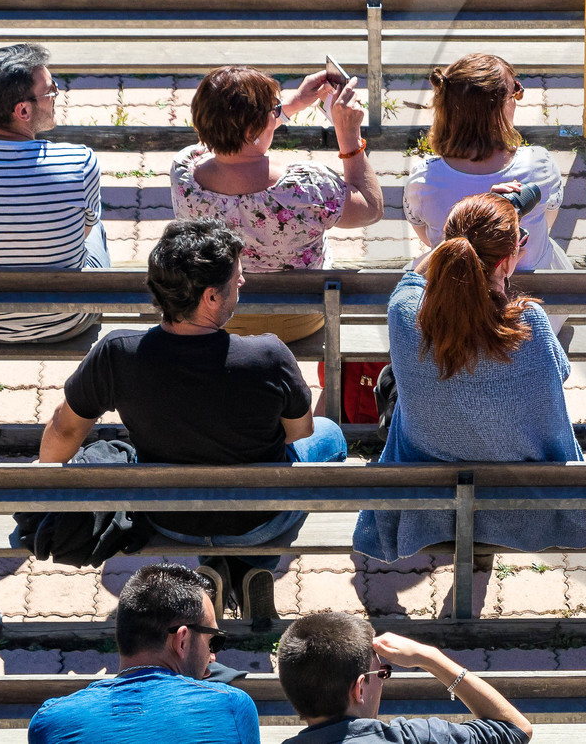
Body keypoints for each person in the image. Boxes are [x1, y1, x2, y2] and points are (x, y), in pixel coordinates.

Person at [37, 219, 347, 622]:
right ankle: (254, 566)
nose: (243, 285)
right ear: (211, 296)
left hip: (169, 515)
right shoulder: (268, 355)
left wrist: (39, 487)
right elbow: (299, 432)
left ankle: (219, 571)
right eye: (238, 279)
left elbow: (64, 431)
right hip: (260, 519)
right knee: (330, 434)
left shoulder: (117, 352)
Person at [355, 192, 586, 561]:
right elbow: (558, 372)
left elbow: (411, 279)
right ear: (507, 260)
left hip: (431, 495)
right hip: (520, 500)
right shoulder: (529, 323)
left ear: (445, 248)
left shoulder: (404, 313)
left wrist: (450, 246)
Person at [171, 64, 383, 342]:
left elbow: (232, 140)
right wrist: (349, 135)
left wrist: (289, 107)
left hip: (218, 317)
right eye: (273, 111)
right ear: (252, 129)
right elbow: (371, 208)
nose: (277, 114)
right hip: (300, 318)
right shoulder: (306, 187)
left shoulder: (185, 173)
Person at [0, 43, 110, 343]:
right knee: (95, 223)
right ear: (23, 110)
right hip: (68, 320)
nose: (57, 96)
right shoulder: (79, 162)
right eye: (51, 91)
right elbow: (83, 233)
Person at [28, 563, 259, 744]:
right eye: (213, 641)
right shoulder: (232, 707)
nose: (213, 657)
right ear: (182, 640)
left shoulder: (51, 722)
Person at [403, 54, 570, 272]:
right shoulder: (539, 165)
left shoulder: (424, 180)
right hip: (533, 283)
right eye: (515, 91)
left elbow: (426, 238)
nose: (518, 98)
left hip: (455, 282)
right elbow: (547, 222)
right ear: (498, 110)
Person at [277, 612, 532, 744]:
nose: (383, 678)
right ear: (359, 690)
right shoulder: (417, 738)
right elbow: (515, 729)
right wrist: (430, 657)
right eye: (382, 673)